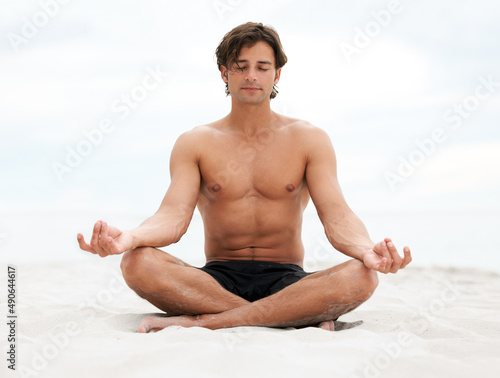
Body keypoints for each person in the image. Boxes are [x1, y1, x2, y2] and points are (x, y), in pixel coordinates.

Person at [77, 22, 412, 333]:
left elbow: (337, 216)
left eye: (262, 67)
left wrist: (368, 249)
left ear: (277, 74)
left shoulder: (309, 139)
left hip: (288, 278)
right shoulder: (195, 142)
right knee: (136, 263)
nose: (252, 75)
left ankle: (205, 324)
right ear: (224, 72)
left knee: (362, 276)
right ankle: (287, 318)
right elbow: (173, 217)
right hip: (216, 281)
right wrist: (129, 238)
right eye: (241, 66)